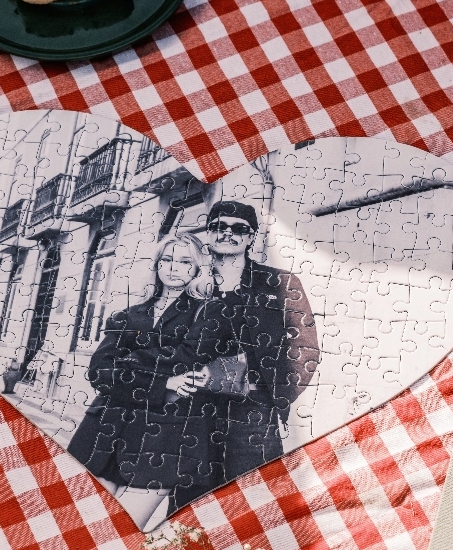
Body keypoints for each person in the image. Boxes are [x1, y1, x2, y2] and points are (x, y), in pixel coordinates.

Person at [171, 200, 320, 509]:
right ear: (208, 233)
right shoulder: (187, 283)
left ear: (251, 237)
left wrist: (275, 395)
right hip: (191, 409)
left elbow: (305, 348)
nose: (228, 233)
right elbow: (160, 341)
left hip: (254, 412)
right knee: (190, 504)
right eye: (219, 227)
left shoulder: (280, 283)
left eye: (239, 229)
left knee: (252, 504)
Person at [67, 233, 216, 531]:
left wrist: (128, 362)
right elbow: (99, 372)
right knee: (80, 526)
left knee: (122, 530)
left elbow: (184, 360)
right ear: (157, 264)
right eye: (167, 259)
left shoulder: (206, 314)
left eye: (185, 261)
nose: (173, 267)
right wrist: (164, 384)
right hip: (104, 433)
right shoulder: (126, 316)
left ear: (198, 268)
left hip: (162, 439)